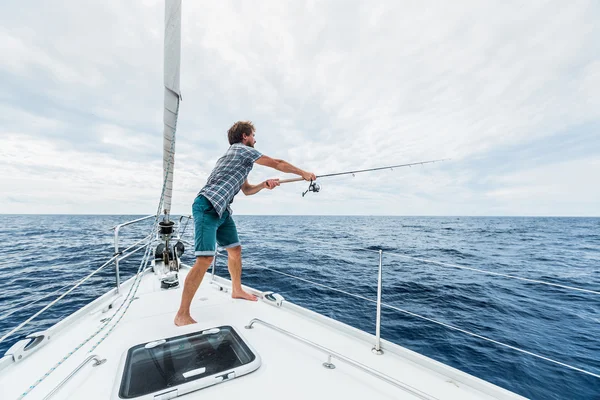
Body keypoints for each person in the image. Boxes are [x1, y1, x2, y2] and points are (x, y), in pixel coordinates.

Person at [174, 121, 316, 326]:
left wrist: (264, 185)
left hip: (222, 210)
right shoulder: (240, 150)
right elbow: (277, 162)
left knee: (235, 250)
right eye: (253, 136)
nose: (255, 140)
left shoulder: (239, 161)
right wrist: (303, 173)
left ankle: (236, 289)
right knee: (205, 259)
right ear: (244, 137)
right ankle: (182, 314)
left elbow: (247, 190)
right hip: (207, 206)